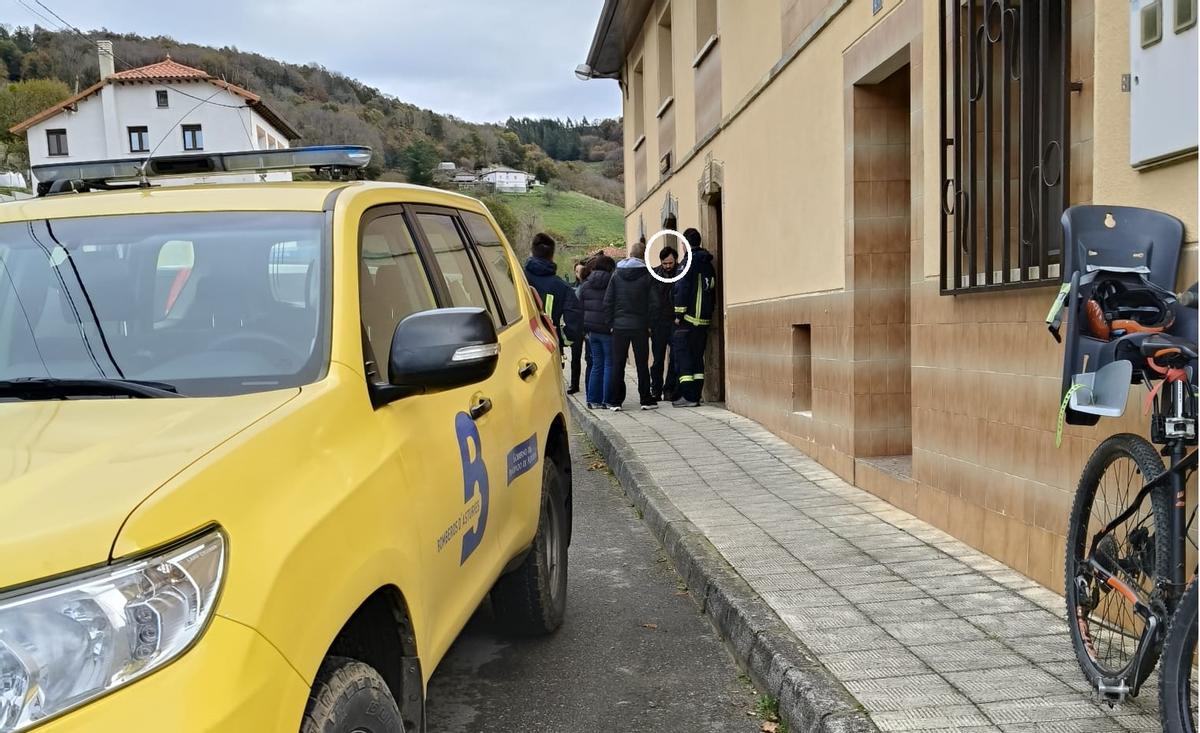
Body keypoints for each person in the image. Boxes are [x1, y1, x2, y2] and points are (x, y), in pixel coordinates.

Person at [604, 239, 656, 411]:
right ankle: (645, 400)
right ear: (643, 256)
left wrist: (611, 323)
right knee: (642, 363)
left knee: (618, 363)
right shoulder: (647, 275)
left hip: (619, 327)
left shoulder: (616, 275)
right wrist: (649, 324)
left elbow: (608, 301)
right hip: (640, 326)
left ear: (631, 255)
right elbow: (654, 303)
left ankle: (615, 401)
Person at [671, 228, 716, 408]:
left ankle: (688, 396)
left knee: (684, 357)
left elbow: (682, 288)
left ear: (684, 244)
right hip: (703, 319)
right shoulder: (707, 262)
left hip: (688, 319)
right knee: (698, 357)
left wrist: (678, 314)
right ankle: (696, 394)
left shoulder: (688, 262)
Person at [523, 233, 582, 368]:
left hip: (520, 348)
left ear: (531, 252)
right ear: (552, 256)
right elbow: (575, 323)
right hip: (549, 351)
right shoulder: (562, 287)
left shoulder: (517, 278)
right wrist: (559, 339)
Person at [578, 255, 615, 409]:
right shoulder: (613, 283)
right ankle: (607, 400)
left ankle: (593, 399)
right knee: (609, 364)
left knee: (596, 365)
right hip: (608, 329)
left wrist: (584, 328)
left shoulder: (585, 285)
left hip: (592, 332)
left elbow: (579, 308)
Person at [649, 246, 678, 402]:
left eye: (670, 263)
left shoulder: (680, 273)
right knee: (658, 359)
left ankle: (669, 389)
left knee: (674, 358)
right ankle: (656, 389)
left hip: (674, 322)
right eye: (665, 263)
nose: (668, 266)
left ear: (675, 260)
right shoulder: (654, 274)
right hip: (658, 323)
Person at [567, 261, 587, 394]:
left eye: (582, 270)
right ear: (575, 273)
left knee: (589, 358)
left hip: (588, 324)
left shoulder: (588, 286)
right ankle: (574, 384)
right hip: (576, 326)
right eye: (577, 271)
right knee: (575, 357)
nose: (580, 273)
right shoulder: (572, 288)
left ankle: (589, 384)